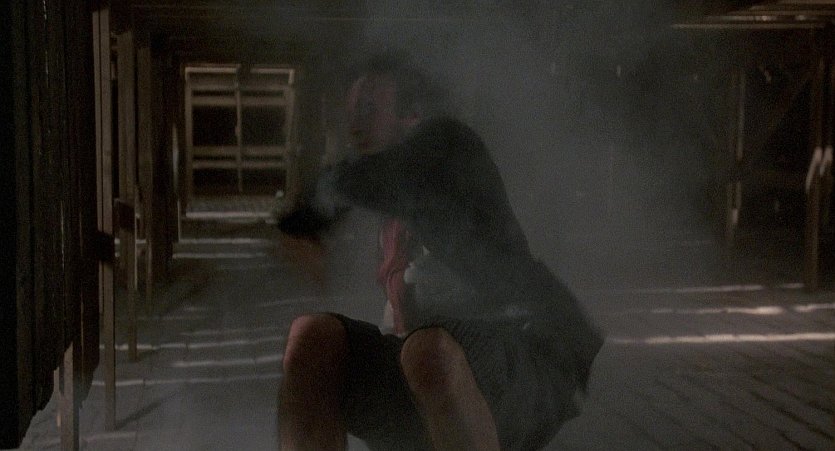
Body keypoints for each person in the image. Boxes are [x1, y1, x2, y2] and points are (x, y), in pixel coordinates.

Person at [277, 53, 603, 451]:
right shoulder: (396, 196)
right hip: (433, 371)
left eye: (369, 110)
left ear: (412, 115)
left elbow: (374, 178)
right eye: (352, 112)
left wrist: (306, 217)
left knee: (428, 353)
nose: (356, 125)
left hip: (524, 354)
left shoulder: (447, 143)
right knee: (312, 341)